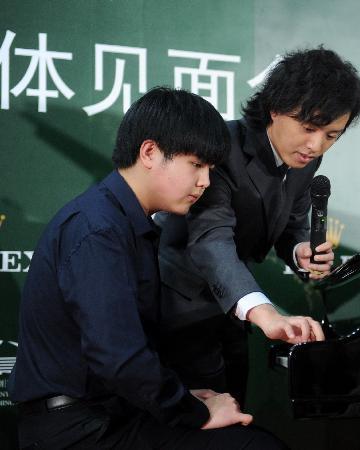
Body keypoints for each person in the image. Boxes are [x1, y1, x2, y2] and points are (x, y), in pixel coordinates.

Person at [8, 87, 287, 449]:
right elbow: (118, 358)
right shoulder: (98, 230)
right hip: (79, 431)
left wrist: (184, 397)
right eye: (196, 165)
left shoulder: (123, 221)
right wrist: (195, 412)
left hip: (110, 414)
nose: (205, 181)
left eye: (211, 169)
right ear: (150, 152)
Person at [156, 47, 360, 404]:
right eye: (309, 128)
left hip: (237, 310)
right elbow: (211, 238)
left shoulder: (303, 161)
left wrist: (301, 250)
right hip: (181, 307)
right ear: (274, 108)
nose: (316, 146)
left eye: (332, 135)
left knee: (236, 407)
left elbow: (292, 224)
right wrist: (264, 311)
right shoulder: (220, 147)